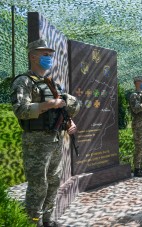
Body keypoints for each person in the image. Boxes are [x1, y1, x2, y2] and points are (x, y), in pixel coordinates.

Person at [10, 39, 80, 227]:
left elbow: (63, 110)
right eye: (44, 54)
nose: (49, 57)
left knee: (54, 181)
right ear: (33, 56)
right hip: (36, 141)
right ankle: (34, 222)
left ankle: (48, 220)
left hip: (55, 138)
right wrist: (46, 105)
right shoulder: (23, 81)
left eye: (50, 54)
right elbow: (20, 109)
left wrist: (69, 123)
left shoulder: (51, 83)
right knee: (38, 185)